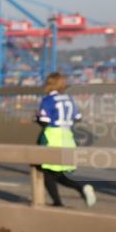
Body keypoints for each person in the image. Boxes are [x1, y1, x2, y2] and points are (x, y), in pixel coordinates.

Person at [36, 73, 96, 208]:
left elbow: (44, 120)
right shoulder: (69, 99)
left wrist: (37, 118)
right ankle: (79, 190)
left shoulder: (48, 100)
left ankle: (60, 201)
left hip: (53, 137)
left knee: (49, 174)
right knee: (59, 173)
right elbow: (77, 117)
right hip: (67, 136)